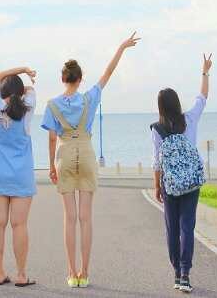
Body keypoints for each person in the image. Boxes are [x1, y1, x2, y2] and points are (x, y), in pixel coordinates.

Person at [42, 32, 140, 288]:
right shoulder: (89, 97)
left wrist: (52, 165)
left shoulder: (52, 105)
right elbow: (108, 73)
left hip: (63, 154)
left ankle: (71, 272)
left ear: (63, 79)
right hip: (86, 153)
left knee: (69, 218)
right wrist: (121, 47)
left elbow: (52, 139)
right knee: (86, 218)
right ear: (80, 78)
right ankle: (85, 273)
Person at [151, 53, 212, 294]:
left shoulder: (157, 129)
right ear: (177, 103)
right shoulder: (190, 119)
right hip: (191, 183)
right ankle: (186, 274)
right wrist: (205, 72)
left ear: (160, 107)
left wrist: (157, 186)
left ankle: (176, 272)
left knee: (172, 228)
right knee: (188, 226)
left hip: (170, 184)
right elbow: (203, 97)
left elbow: (156, 162)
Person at [0, 66, 38, 287]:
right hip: (22, 175)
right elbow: (30, 89)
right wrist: (26, 77)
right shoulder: (28, 108)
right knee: (20, 225)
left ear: (2, 92)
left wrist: (21, 68)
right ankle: (21, 274)